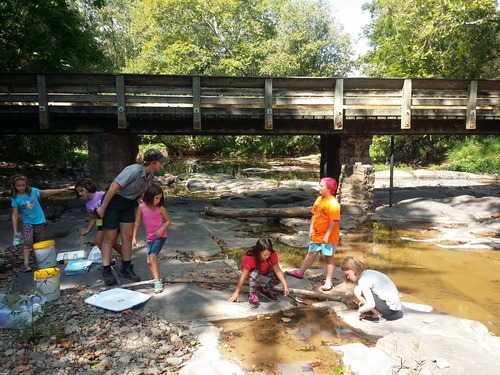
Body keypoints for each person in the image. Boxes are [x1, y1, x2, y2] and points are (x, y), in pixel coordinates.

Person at [96, 148, 169, 286]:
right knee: (109, 238)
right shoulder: (134, 170)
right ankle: (106, 270)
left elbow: (140, 191)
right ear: (153, 163)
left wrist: (139, 200)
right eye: (161, 162)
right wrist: (103, 207)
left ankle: (126, 267)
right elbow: (113, 187)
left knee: (128, 236)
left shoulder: (149, 176)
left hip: (128, 204)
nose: (162, 165)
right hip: (113, 202)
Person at [285, 177, 340, 292]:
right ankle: (300, 272)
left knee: (329, 257)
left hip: (328, 238)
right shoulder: (319, 199)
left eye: (321, 186)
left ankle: (329, 281)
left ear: (329, 189)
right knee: (311, 253)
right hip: (317, 234)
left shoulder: (333, 203)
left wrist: (327, 235)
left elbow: (333, 221)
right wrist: (311, 228)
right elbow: (314, 214)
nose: (319, 188)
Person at [11, 174, 69, 273]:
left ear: (26, 185)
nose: (21, 188)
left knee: (37, 242)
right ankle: (26, 264)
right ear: (15, 186)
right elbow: (14, 215)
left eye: (23, 185)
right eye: (18, 186)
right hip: (27, 222)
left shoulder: (32, 191)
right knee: (28, 241)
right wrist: (15, 230)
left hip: (39, 220)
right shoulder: (16, 198)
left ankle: (39, 260)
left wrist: (60, 190)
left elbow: (45, 192)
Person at [228, 237, 290, 308]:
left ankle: (264, 290)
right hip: (252, 272)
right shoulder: (250, 258)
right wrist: (236, 292)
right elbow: (243, 276)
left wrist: (285, 285)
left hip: (265, 268)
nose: (267, 257)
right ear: (259, 252)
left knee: (282, 277)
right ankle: (252, 294)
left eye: (268, 255)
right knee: (255, 274)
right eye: (264, 255)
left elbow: (277, 270)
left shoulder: (272, 254)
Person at [132, 183, 171, 294]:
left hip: (160, 236)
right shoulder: (141, 207)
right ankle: (156, 280)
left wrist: (162, 229)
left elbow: (168, 221)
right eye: (156, 198)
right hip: (150, 238)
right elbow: (137, 222)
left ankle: (158, 283)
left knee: (153, 257)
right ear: (149, 196)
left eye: (160, 198)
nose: (158, 200)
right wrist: (134, 238)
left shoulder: (161, 208)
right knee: (149, 261)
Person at [341, 256, 403, 323]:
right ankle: (376, 312)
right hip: (394, 309)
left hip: (390, 312)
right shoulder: (369, 273)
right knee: (359, 289)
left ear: (354, 269)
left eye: (347, 274)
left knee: (357, 290)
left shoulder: (363, 280)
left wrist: (360, 310)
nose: (347, 277)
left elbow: (371, 304)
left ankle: (378, 316)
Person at [74, 178, 122, 261]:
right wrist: (88, 230)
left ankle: (126, 256)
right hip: (101, 222)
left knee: (112, 242)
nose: (80, 194)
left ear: (88, 187)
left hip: (113, 219)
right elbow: (93, 218)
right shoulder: (88, 205)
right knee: (98, 241)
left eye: (81, 191)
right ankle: (109, 260)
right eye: (78, 192)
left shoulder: (101, 194)